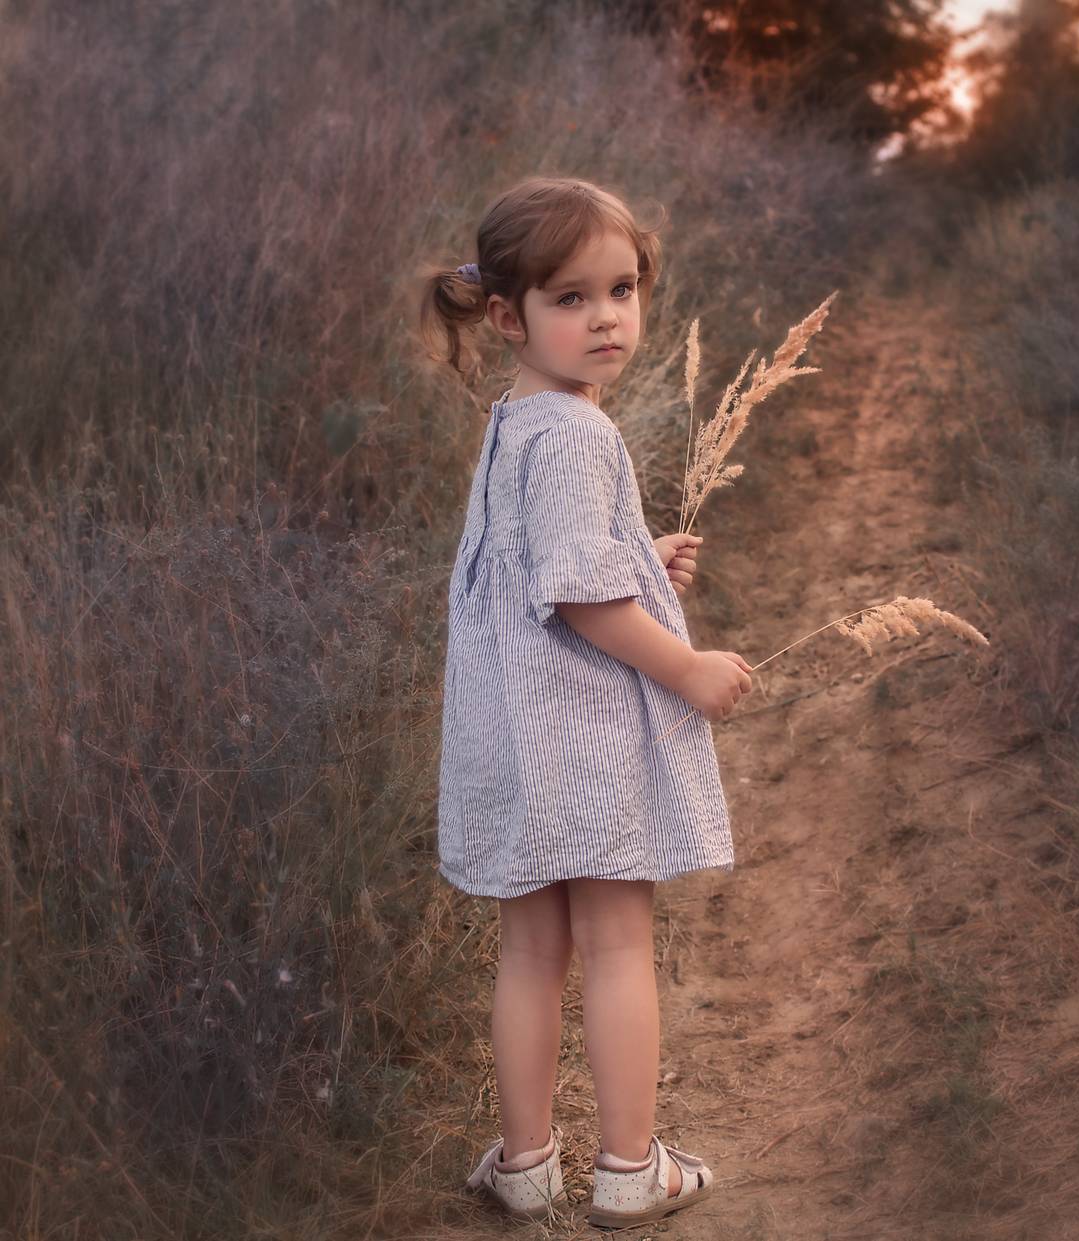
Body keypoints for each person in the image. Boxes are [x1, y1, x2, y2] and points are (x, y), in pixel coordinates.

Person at [421, 175, 752, 1228]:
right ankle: (628, 1168)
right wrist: (685, 666)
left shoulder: (519, 419)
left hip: (516, 731)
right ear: (508, 316)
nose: (606, 317)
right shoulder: (576, 432)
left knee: (529, 952)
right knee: (615, 947)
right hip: (583, 734)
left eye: (621, 289)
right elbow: (576, 595)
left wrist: (636, 553)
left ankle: (524, 1164)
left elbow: (538, 563)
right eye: (571, 298)